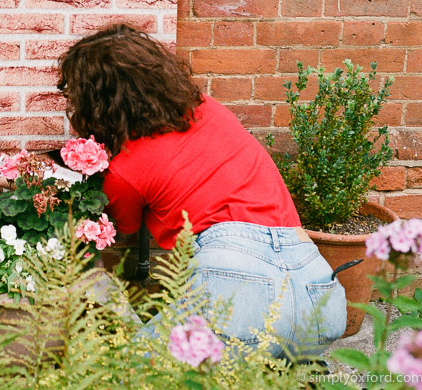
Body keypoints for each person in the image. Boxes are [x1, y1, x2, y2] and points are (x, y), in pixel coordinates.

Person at [57, 23, 346, 356]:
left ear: (99, 104)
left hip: (238, 289)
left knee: (127, 369)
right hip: (318, 293)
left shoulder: (126, 172)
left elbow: (120, 231)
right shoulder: (209, 109)